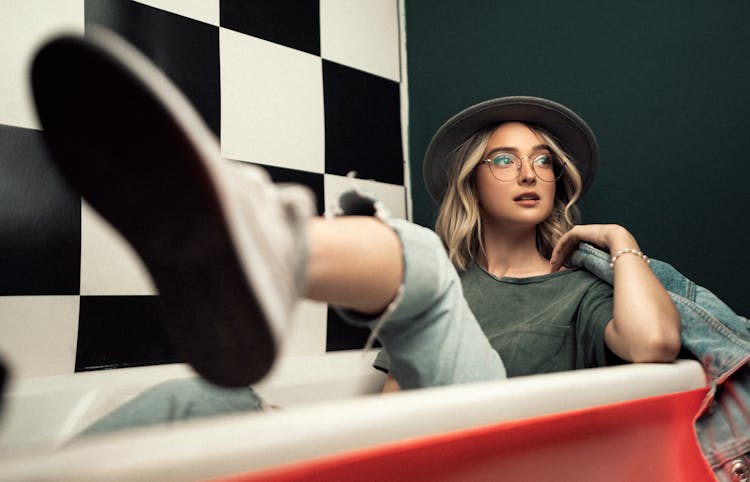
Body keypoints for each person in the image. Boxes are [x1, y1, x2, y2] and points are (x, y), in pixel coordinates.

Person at [30, 29, 681, 433]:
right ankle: (264, 244)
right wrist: (294, 433)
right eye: (503, 159)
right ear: (472, 184)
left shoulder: (578, 292)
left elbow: (653, 345)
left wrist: (619, 239)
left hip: (514, 450)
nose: (528, 171)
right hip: (429, 449)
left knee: (417, 260)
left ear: (560, 182)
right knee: (194, 398)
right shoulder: (448, 294)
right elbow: (392, 410)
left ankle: (272, 241)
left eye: (544, 160)